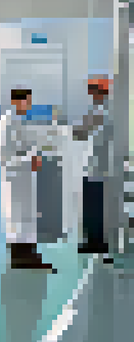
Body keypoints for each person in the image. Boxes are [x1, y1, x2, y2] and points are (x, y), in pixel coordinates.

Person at [0, 88, 52, 270]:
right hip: (15, 180)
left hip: (23, 179)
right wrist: (29, 159)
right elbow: (3, 157)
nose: (28, 105)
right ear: (16, 101)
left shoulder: (17, 121)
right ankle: (21, 257)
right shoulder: (6, 123)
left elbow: (24, 147)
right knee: (18, 219)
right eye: (27, 101)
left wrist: (32, 154)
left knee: (25, 219)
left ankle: (28, 254)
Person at [72, 76, 113, 255]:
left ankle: (94, 242)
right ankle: (97, 240)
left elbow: (79, 132)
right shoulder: (109, 110)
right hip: (102, 166)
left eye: (92, 89)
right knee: (98, 205)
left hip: (95, 167)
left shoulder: (98, 111)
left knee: (92, 206)